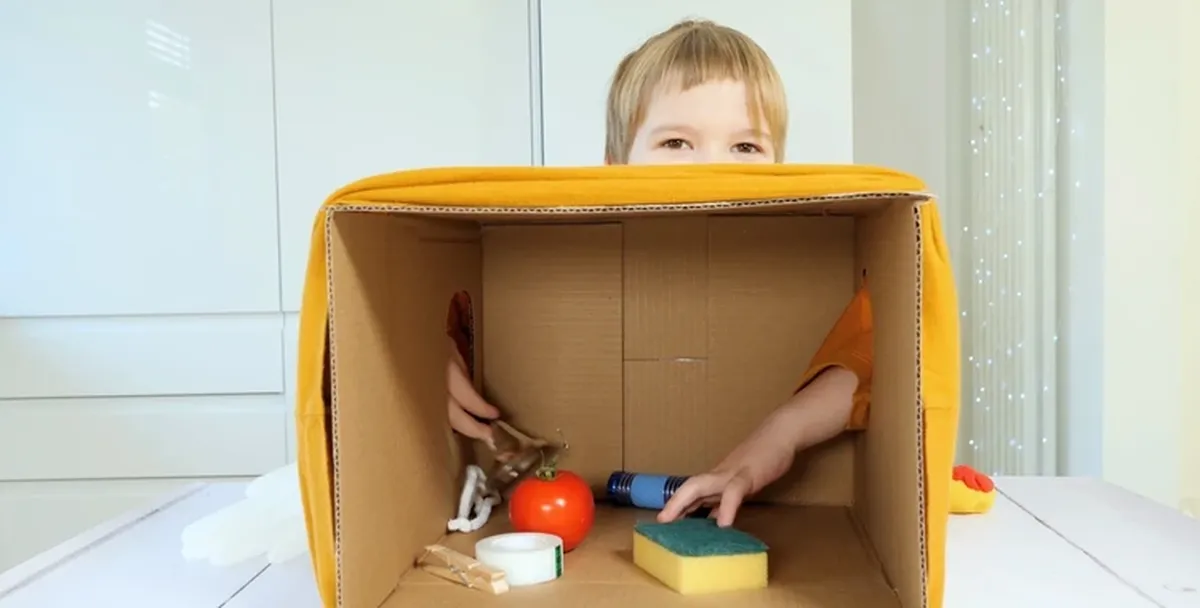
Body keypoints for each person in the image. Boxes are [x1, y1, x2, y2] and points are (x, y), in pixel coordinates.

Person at [446, 19, 977, 528]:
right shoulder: (548, 257)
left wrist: (780, 434)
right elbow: (441, 316)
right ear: (614, 167)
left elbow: (877, 350)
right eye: (676, 142)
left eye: (745, 146)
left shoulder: (814, 254)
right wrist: (435, 355)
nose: (711, 167)